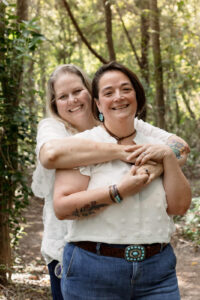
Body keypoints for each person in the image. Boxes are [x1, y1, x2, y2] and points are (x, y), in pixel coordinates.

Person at [32, 64, 189, 300]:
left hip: (156, 269)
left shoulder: (141, 131)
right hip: (82, 259)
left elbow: (180, 149)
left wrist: (161, 160)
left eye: (77, 92)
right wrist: (120, 159)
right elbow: (51, 157)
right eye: (63, 97)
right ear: (99, 100)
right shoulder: (62, 135)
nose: (72, 100)